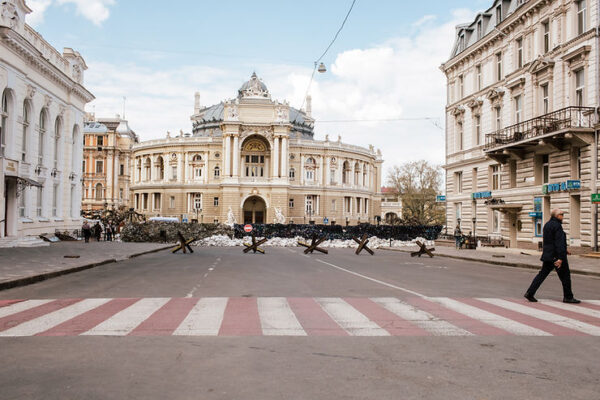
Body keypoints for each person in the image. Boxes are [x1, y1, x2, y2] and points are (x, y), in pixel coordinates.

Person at [524, 209, 580, 304]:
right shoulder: (557, 226)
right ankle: (568, 297)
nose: (563, 217)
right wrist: (560, 258)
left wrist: (564, 250)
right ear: (557, 216)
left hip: (548, 255)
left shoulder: (547, 225)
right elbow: (559, 242)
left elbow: (550, 241)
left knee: (541, 275)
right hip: (556, 256)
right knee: (565, 277)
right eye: (562, 215)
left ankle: (530, 293)